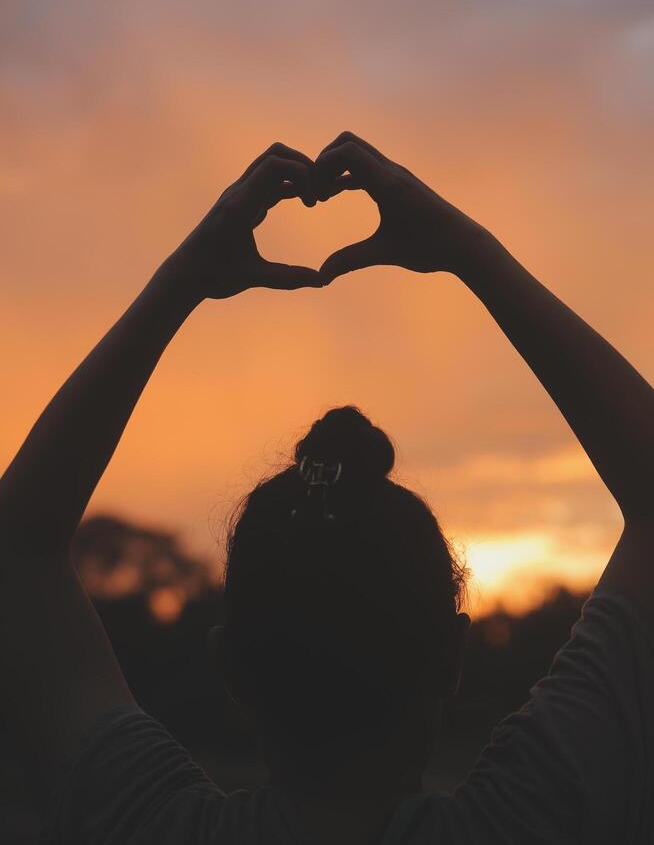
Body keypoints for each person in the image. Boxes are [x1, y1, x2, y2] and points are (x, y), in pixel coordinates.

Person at [0, 132, 652, 844]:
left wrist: (183, 280)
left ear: (230, 667)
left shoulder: (144, 822)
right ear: (453, 660)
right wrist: (468, 253)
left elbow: (17, 545)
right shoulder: (539, 818)